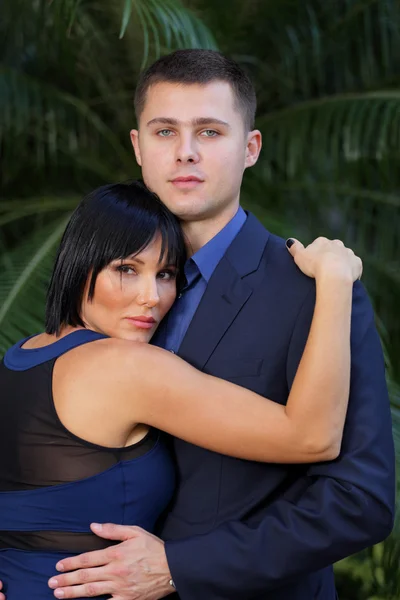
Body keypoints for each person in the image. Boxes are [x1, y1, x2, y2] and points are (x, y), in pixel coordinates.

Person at [0, 178, 359, 599]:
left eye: (166, 274)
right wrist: (335, 282)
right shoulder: (124, 367)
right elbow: (313, 437)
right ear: (82, 265)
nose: (151, 297)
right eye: (127, 270)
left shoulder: (18, 357)